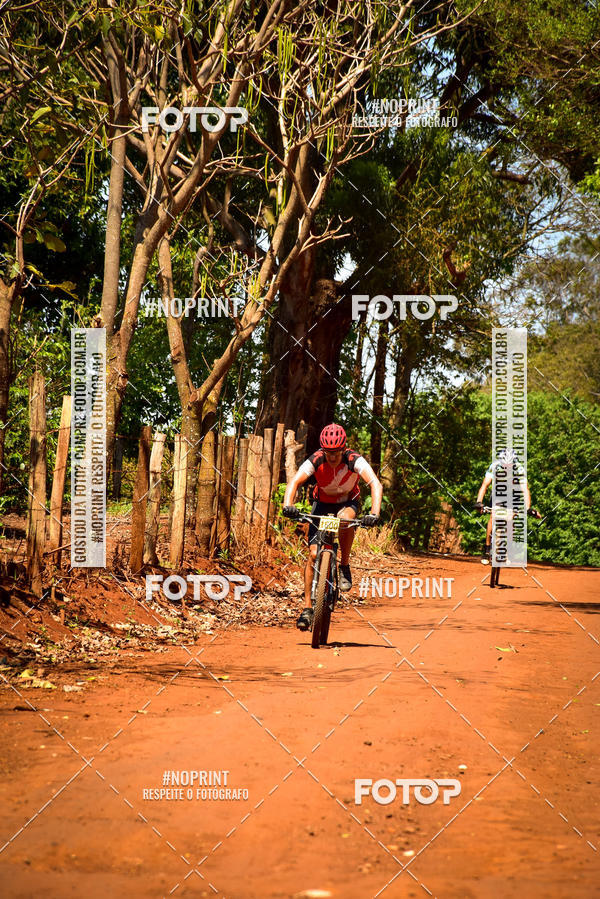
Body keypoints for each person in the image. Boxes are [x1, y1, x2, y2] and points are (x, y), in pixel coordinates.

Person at [282, 423, 383, 630]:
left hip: (347, 502)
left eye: (336, 453)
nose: (332, 457)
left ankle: (344, 565)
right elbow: (294, 482)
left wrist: (374, 513)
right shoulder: (317, 458)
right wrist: (288, 505)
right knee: (312, 555)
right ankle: (307, 607)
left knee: (345, 520)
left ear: (343, 449)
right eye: (329, 453)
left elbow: (374, 483)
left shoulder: (354, 460)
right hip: (322, 503)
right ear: (323, 450)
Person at [475, 448, 540, 564]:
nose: (507, 467)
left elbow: (525, 490)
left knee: (511, 520)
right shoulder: (494, 466)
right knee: (492, 517)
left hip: (513, 496)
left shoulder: (519, 469)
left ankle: (507, 550)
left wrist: (528, 508)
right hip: (498, 494)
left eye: (509, 465)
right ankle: (487, 549)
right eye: (505, 465)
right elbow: (484, 485)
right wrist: (479, 502)